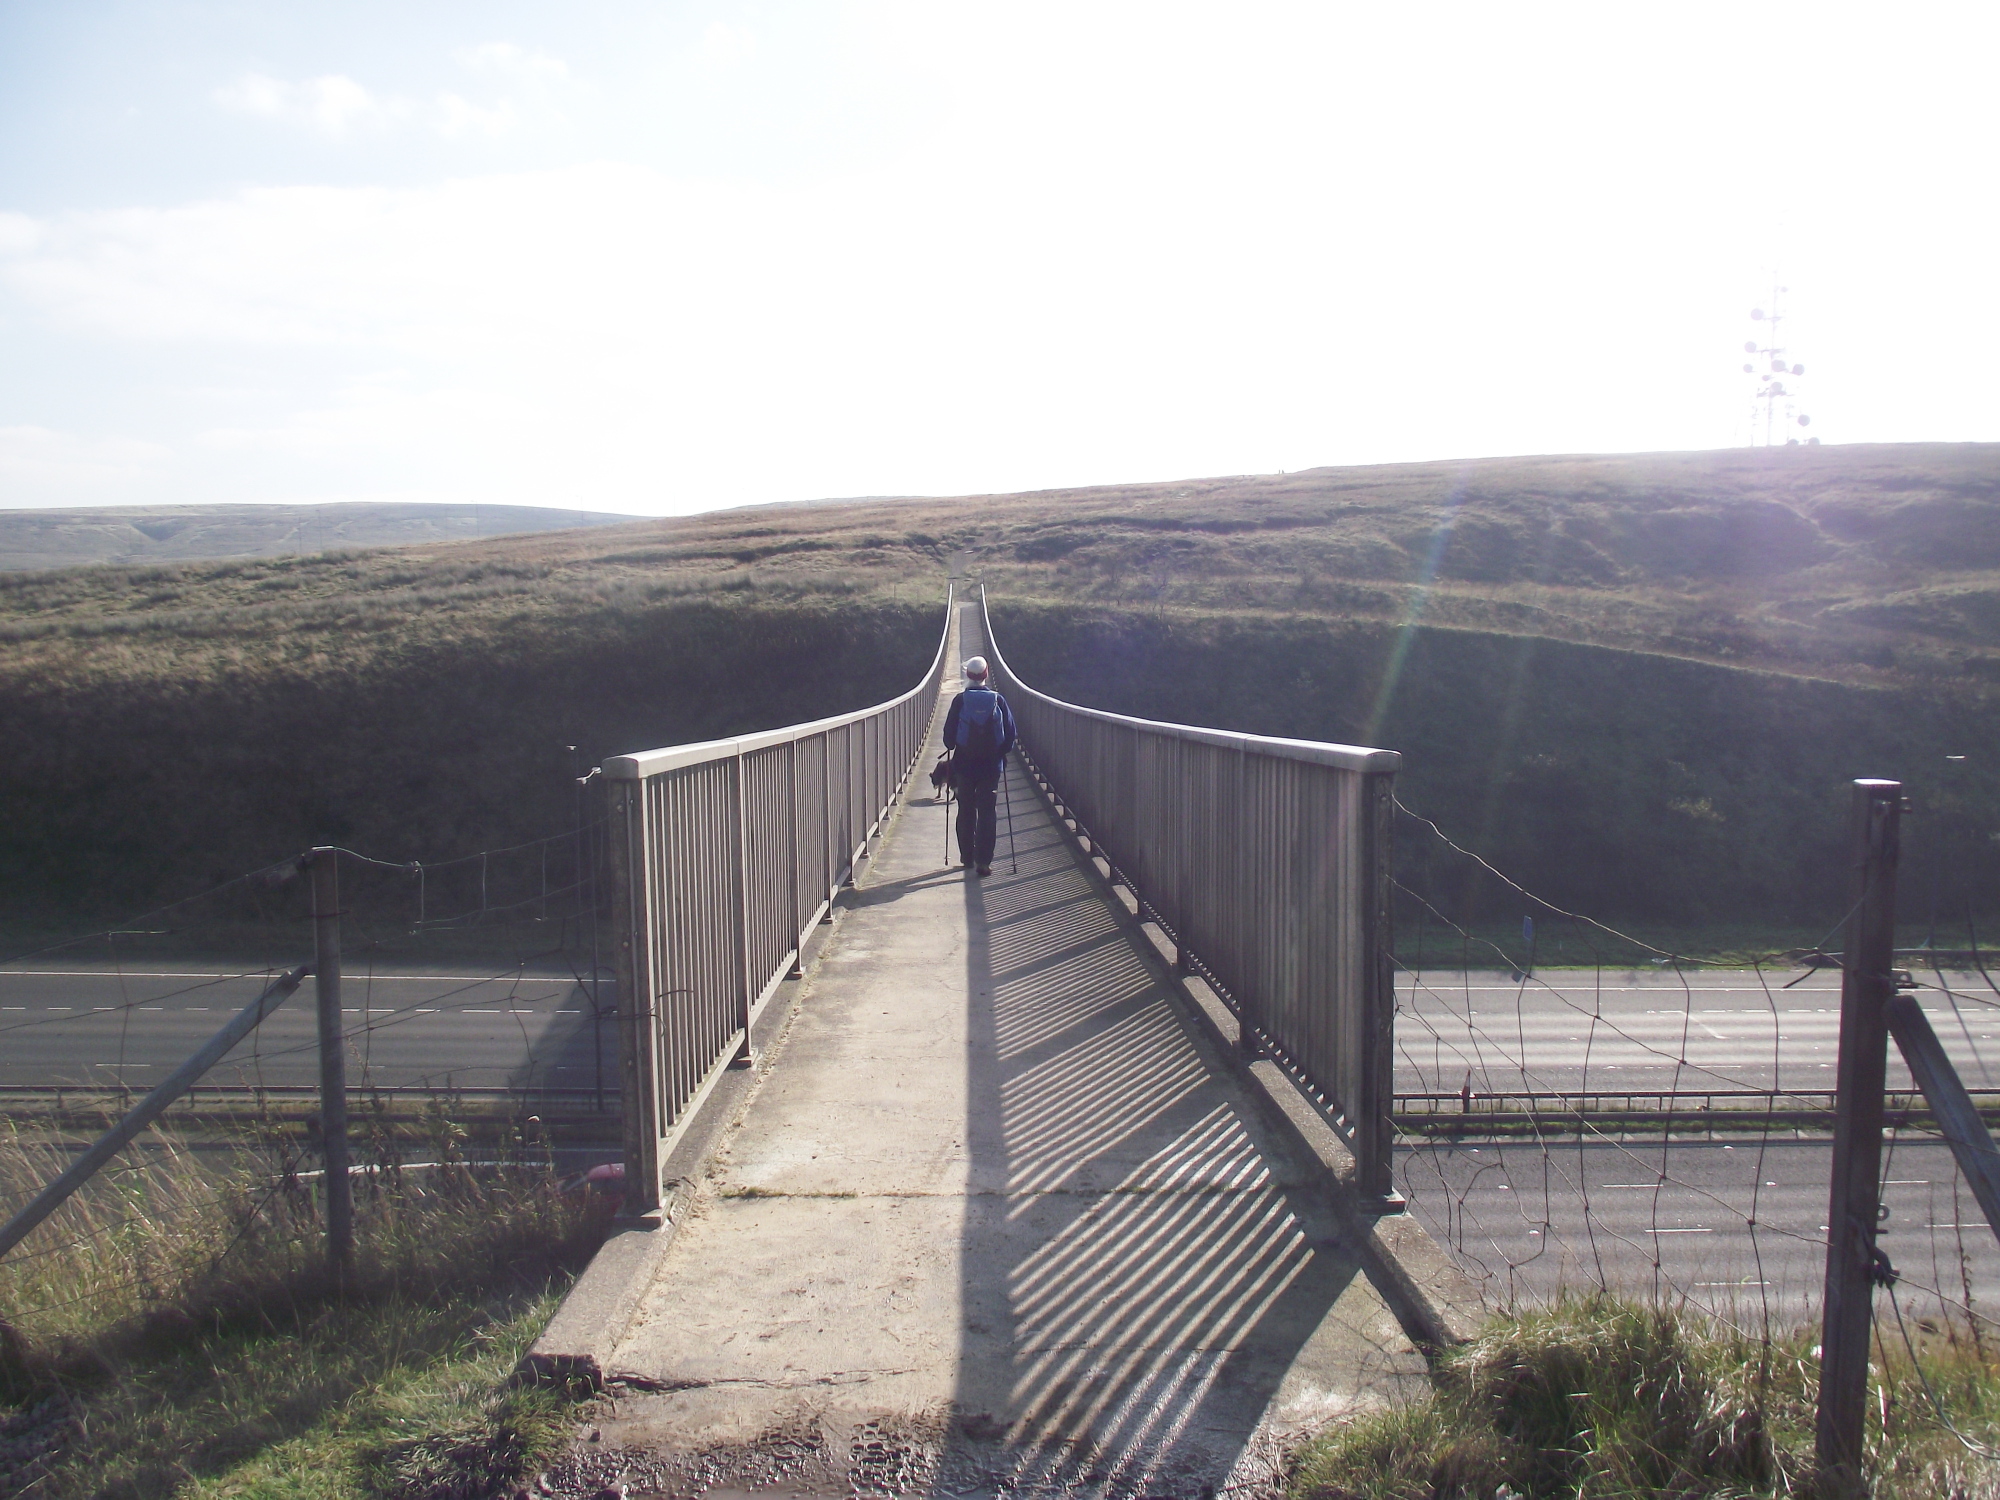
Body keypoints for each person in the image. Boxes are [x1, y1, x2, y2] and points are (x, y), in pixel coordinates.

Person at [941, 655, 1016, 877]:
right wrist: (999, 753)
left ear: (967, 675)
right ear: (986, 675)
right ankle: (983, 862)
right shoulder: (998, 700)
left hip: (964, 765)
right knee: (987, 812)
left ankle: (967, 857)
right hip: (990, 767)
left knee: (966, 809)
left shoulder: (960, 701)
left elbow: (948, 739)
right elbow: (1010, 736)